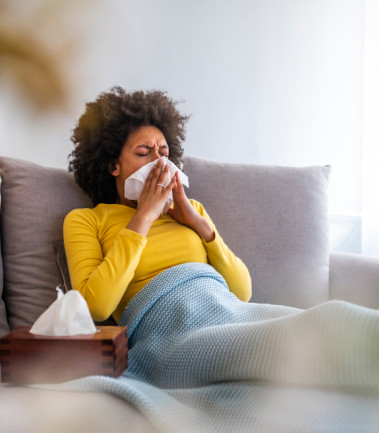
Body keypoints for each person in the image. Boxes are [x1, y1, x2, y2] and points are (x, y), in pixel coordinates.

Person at [64, 87, 251, 323]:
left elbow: (242, 293)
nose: (159, 162)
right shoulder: (87, 220)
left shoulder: (191, 210)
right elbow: (96, 307)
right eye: (144, 152)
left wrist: (198, 223)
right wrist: (143, 217)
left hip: (225, 314)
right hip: (165, 332)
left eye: (164, 152)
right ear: (113, 166)